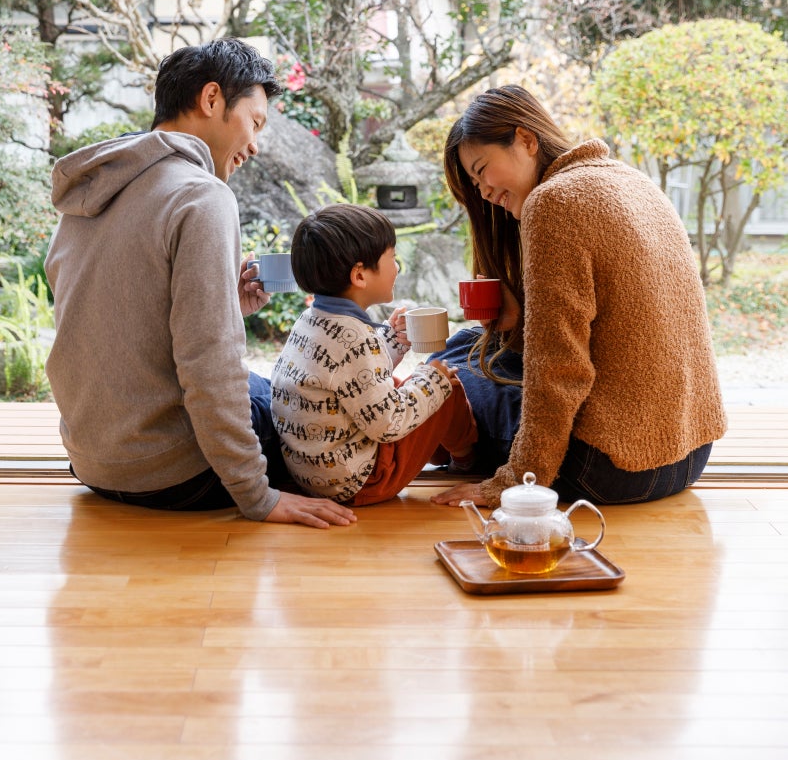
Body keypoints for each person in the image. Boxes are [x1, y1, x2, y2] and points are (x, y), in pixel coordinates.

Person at [44, 39, 354, 529]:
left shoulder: (90, 193)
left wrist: (227, 305)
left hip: (95, 463)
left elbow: (111, 322)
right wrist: (259, 497)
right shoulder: (202, 196)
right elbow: (210, 363)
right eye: (254, 122)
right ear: (211, 100)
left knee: (258, 388)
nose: (254, 145)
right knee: (300, 403)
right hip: (174, 478)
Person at [430, 85, 727, 510]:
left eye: (482, 170)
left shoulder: (553, 202)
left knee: (440, 374)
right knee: (464, 345)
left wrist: (515, 483)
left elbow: (560, 368)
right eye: (474, 182)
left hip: (609, 468)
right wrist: (517, 322)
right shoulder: (628, 179)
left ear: (526, 140)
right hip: (687, 450)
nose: (483, 191)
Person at [271, 204, 477, 505]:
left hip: (315, 475)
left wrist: (391, 340)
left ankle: (440, 450)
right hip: (361, 481)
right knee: (446, 387)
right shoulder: (355, 339)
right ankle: (468, 462)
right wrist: (432, 378)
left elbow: (351, 377)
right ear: (359, 275)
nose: (397, 266)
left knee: (397, 381)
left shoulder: (311, 320)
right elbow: (387, 422)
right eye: (392, 257)